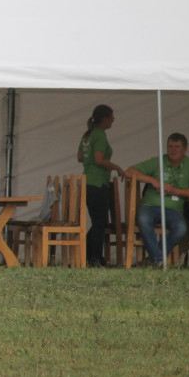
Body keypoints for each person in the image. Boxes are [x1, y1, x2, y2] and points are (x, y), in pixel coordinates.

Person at [125, 133, 189, 266]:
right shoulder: (158, 161)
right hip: (149, 206)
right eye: (170, 146)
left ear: (185, 149)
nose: (173, 150)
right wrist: (154, 182)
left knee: (181, 228)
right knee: (143, 220)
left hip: (172, 209)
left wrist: (175, 191)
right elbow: (129, 171)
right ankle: (158, 260)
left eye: (177, 147)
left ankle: (153, 260)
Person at [77, 104, 127, 267]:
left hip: (87, 182)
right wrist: (117, 167)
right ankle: (94, 257)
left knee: (98, 221)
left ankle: (86, 253)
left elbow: (79, 157)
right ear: (104, 118)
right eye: (111, 117)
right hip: (98, 183)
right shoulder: (99, 135)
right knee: (100, 222)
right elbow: (99, 159)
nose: (113, 120)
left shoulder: (88, 135)